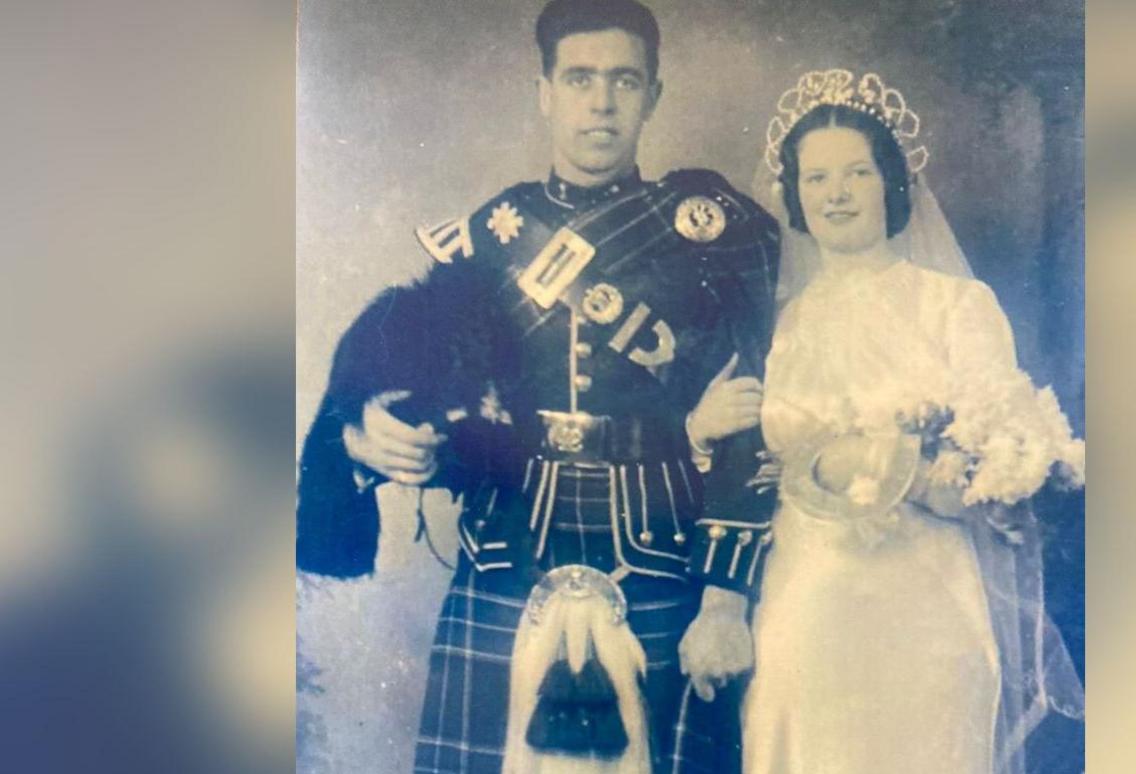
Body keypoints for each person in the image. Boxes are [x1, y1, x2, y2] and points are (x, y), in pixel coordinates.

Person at [295, 1, 778, 772]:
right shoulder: (497, 232)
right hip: (506, 549)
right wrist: (360, 433)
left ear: (653, 94)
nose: (602, 101)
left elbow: (754, 415)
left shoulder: (709, 234)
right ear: (545, 91)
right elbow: (413, 385)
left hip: (658, 553)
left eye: (624, 80)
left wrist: (726, 600)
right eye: (580, 78)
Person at [740, 70, 1086, 773]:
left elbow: (1000, 448)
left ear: (890, 183)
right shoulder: (782, 323)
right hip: (808, 588)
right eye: (816, 178)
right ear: (795, 195)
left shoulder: (955, 304)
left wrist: (933, 479)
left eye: (857, 173)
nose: (835, 194)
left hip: (927, 589)